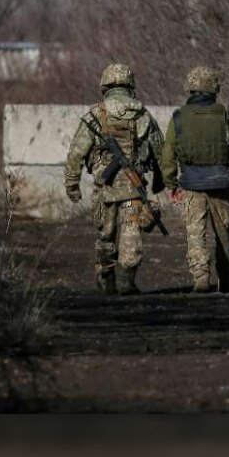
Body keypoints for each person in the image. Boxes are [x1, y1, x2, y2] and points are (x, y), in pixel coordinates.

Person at [64, 62, 165, 295]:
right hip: (133, 188)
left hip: (104, 189)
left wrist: (72, 184)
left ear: (105, 85)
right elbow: (160, 152)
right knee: (132, 233)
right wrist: (161, 181)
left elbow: (76, 152)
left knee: (105, 236)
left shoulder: (94, 115)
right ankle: (126, 282)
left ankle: (105, 281)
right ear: (130, 85)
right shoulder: (143, 115)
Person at [161, 66, 229, 293]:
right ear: (214, 88)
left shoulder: (179, 116)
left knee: (195, 233)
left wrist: (171, 183)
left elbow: (168, 153)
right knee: (224, 233)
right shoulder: (227, 114)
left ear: (190, 88)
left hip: (191, 184)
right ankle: (227, 279)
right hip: (221, 183)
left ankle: (201, 277)